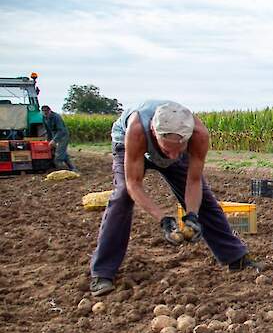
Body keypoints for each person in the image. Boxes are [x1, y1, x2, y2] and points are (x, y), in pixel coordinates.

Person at [89, 100, 259, 296]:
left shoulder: (198, 135)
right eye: (168, 149)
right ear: (154, 133)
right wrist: (164, 219)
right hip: (130, 145)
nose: (174, 155)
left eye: (180, 149)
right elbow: (133, 184)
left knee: (205, 200)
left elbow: (193, 182)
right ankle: (102, 273)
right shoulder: (136, 130)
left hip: (168, 142)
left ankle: (235, 257)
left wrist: (192, 215)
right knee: (122, 197)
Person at [41, 105, 75, 171]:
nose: (45, 113)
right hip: (55, 135)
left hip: (63, 136)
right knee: (62, 153)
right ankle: (73, 168)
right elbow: (48, 131)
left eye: (46, 111)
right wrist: (48, 140)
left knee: (59, 154)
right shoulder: (44, 118)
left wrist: (54, 140)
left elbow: (61, 130)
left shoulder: (56, 117)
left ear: (49, 110)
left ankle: (59, 170)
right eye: (43, 111)